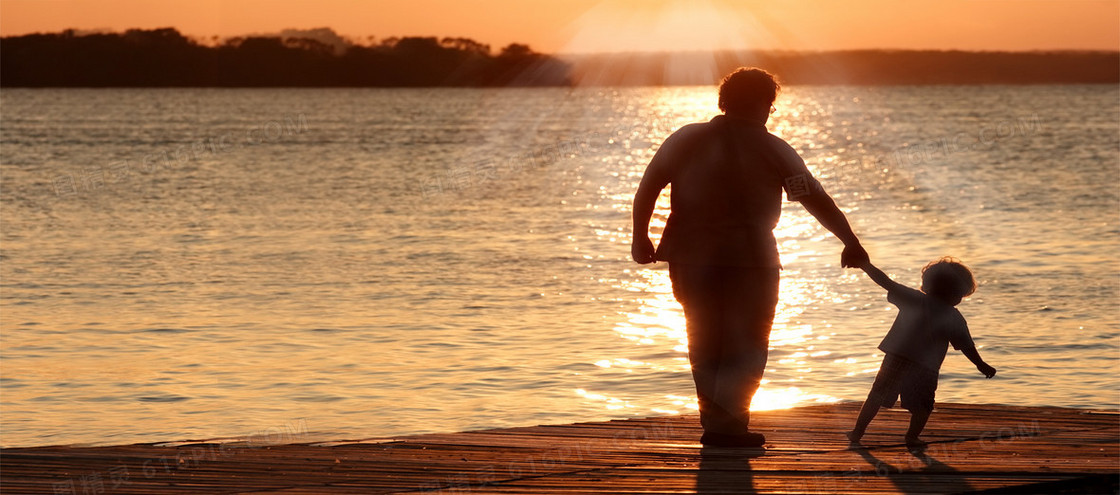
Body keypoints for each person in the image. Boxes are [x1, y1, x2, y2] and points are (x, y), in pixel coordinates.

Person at [631, 67, 869, 447]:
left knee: (704, 339)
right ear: (763, 103)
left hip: (690, 257)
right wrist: (849, 239)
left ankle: (718, 426)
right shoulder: (773, 148)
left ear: (724, 102)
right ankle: (728, 426)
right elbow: (813, 199)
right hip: (751, 260)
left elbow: (649, 186)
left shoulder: (686, 139)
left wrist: (640, 235)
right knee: (748, 343)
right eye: (770, 106)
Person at [846, 257, 997, 449]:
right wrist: (980, 364)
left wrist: (865, 265)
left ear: (927, 284)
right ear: (957, 293)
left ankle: (858, 431)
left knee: (876, 395)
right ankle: (912, 437)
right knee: (923, 406)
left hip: (897, 357)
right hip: (926, 366)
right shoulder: (953, 316)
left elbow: (885, 281)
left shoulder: (913, 299)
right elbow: (966, 346)